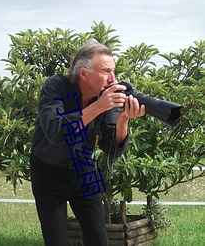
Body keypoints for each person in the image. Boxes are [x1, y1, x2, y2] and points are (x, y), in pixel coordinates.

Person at [30, 40, 145, 246]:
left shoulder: (106, 97)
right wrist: (98, 107)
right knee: (56, 241)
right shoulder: (56, 86)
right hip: (48, 171)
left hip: (84, 169)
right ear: (83, 74)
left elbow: (110, 147)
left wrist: (123, 119)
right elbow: (55, 132)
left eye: (114, 71)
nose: (113, 79)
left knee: (99, 238)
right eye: (106, 71)